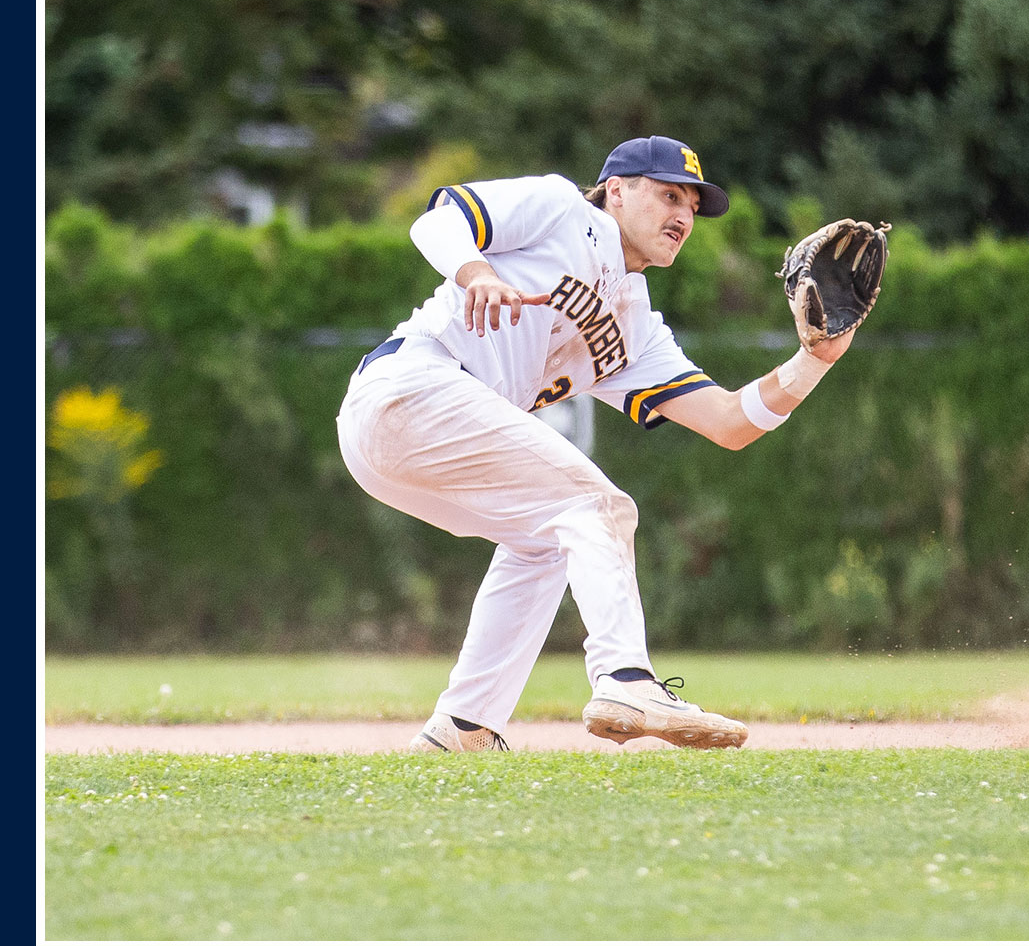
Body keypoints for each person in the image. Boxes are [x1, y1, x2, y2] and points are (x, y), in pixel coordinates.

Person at [337, 135, 864, 753]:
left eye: (693, 206)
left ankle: (465, 728)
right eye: (669, 195)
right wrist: (476, 272)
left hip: (415, 433)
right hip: (411, 385)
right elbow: (438, 220)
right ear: (616, 191)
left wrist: (815, 361)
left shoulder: (636, 329)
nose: (682, 216)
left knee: (546, 542)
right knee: (598, 507)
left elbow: (729, 421)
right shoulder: (563, 210)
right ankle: (625, 678)